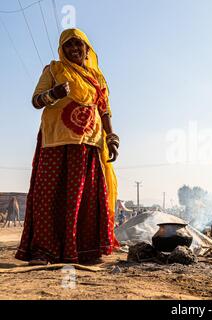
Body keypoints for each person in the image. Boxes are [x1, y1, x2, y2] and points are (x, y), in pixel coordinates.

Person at [15, 28, 120, 265]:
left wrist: (111, 137)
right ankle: (43, 252)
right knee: (47, 196)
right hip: (55, 141)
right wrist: (53, 93)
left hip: (89, 144)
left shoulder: (97, 78)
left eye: (78, 45)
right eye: (69, 46)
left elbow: (104, 110)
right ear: (62, 50)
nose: (74, 49)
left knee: (83, 198)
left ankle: (85, 251)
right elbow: (36, 100)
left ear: (86, 49)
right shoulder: (53, 70)